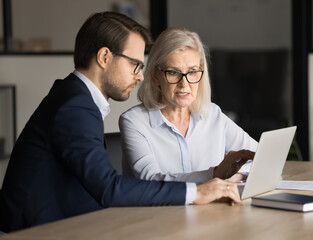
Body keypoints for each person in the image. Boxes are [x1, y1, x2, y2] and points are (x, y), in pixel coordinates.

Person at [0, 12, 242, 233]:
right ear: (105, 57)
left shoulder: (73, 97)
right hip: (33, 231)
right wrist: (197, 192)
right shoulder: (75, 107)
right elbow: (108, 189)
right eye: (134, 64)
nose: (139, 75)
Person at [119, 28, 258, 184]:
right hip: (159, 209)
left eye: (192, 72)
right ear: (156, 76)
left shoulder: (212, 114)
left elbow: (260, 157)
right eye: (173, 72)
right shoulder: (134, 121)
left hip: (211, 208)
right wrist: (216, 175)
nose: (184, 84)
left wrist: (235, 176)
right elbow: (152, 180)